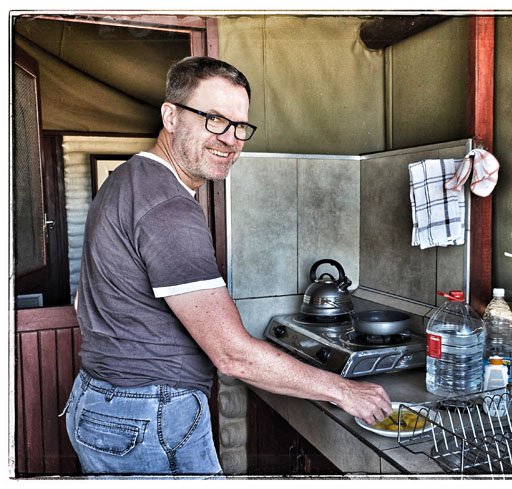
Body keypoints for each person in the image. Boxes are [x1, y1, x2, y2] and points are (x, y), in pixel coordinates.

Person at [64, 56, 392, 477]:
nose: (231, 139)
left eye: (240, 126)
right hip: (147, 416)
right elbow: (233, 356)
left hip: (101, 402)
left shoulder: (124, 179)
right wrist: (344, 391)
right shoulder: (168, 207)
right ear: (171, 116)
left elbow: (83, 301)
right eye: (215, 119)